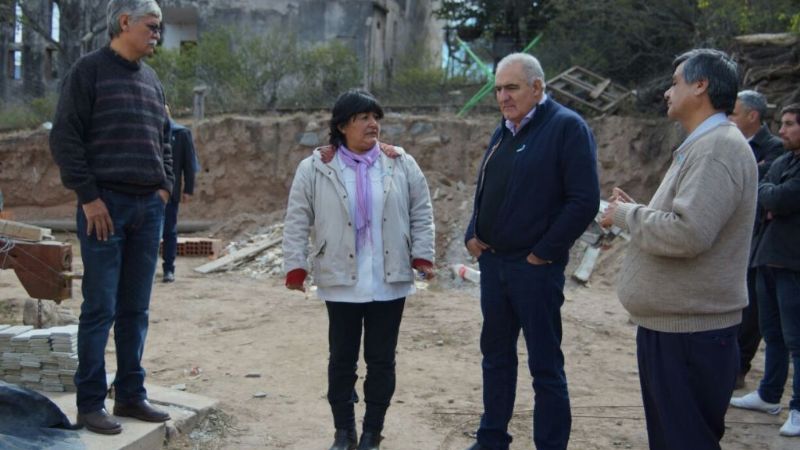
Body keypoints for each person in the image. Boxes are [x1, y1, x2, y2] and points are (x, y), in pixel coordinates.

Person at [600, 49, 757, 450]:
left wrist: (625, 215)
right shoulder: (705, 145)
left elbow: (688, 234)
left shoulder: (717, 148)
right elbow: (687, 223)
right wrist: (636, 211)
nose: (669, 92)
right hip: (677, 328)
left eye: (675, 82)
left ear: (700, 86)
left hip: (690, 335)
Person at [282, 89, 435, 450]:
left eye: (375, 117)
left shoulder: (400, 162)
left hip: (389, 278)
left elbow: (421, 211)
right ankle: (344, 432)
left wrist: (423, 256)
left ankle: (372, 433)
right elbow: (297, 218)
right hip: (340, 279)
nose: (373, 124)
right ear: (341, 125)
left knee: (381, 360)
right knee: (342, 360)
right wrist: (295, 266)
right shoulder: (316, 167)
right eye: (363, 117)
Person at [463, 53, 600, 450]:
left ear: (537, 87)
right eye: (498, 89)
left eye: (512, 88)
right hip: (495, 265)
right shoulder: (504, 129)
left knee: (545, 366)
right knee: (496, 358)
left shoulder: (566, 128)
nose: (503, 97)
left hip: (534, 269)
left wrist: (543, 253)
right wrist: (473, 231)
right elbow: (487, 185)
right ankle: (492, 439)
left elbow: (583, 200)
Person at [49, 0, 173, 435]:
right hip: (105, 208)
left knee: (136, 309)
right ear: (125, 22)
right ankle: (89, 403)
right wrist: (88, 198)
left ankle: (130, 394)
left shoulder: (153, 81)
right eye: (152, 26)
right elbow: (65, 137)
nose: (158, 34)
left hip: (147, 208)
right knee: (100, 307)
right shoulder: (88, 71)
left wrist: (164, 187)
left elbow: (166, 138)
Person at [730, 103, 800, 437]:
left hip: (793, 262)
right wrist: (771, 196)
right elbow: (762, 193)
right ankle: (770, 395)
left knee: (796, 338)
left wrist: (772, 197)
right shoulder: (785, 161)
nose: (782, 130)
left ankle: (798, 408)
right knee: (772, 333)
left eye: (789, 124)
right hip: (766, 256)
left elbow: (782, 198)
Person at [727, 90, 785, 388]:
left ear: (753, 116)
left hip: (758, 237)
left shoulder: (774, 148)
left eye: (734, 113)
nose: (729, 118)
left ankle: (739, 367)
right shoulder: (729, 143)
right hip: (731, 234)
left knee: (751, 307)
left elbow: (765, 191)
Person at [161, 105, 198, 283]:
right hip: (148, 193)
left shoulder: (181, 134)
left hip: (170, 192)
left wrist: (188, 190)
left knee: (169, 231)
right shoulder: (150, 132)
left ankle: (169, 268)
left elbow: (189, 164)